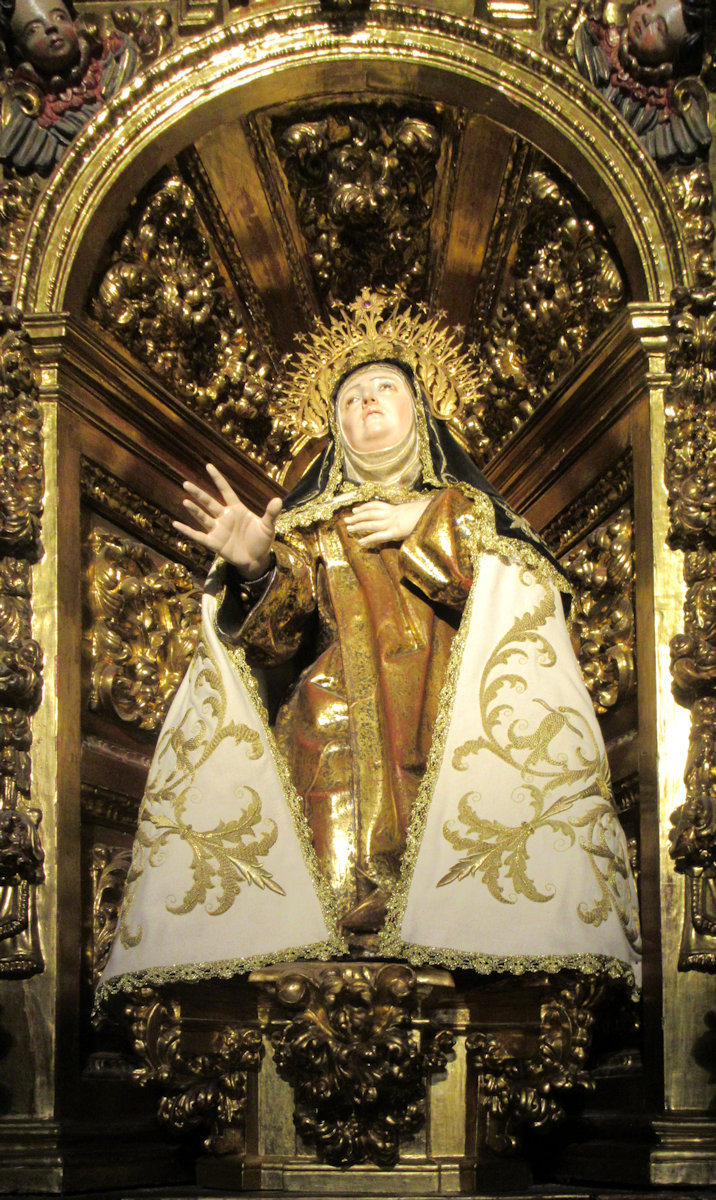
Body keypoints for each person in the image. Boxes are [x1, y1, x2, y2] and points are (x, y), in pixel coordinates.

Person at [97, 295, 641, 1004]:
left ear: (421, 411)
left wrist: (434, 520)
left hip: (448, 742)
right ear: (334, 428)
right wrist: (257, 568)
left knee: (448, 890)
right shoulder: (308, 532)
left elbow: (530, 612)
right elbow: (273, 643)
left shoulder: (473, 514)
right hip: (332, 750)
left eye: (386, 389)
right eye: (351, 397)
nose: (368, 404)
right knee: (333, 904)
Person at [0, 0, 138, 176]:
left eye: (60, 17)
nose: (51, 27)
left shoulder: (116, 62)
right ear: (19, 51)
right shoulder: (29, 120)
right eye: (33, 30)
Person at [574, 0, 710, 166]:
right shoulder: (595, 40)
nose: (647, 18)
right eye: (650, 4)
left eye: (659, 28)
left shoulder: (663, 114)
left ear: (674, 58)